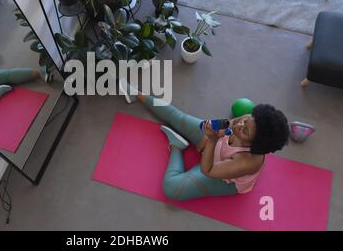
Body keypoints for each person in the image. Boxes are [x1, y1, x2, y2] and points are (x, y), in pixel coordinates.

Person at [119, 79, 290, 200]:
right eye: (246, 120)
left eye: (244, 131)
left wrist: (212, 140)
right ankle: (137, 95)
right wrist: (208, 139)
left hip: (222, 177)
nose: (240, 124)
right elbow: (229, 124)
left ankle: (177, 147)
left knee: (172, 189)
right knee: (177, 117)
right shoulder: (250, 120)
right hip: (215, 143)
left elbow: (208, 170)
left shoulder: (247, 162)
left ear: (255, 145)